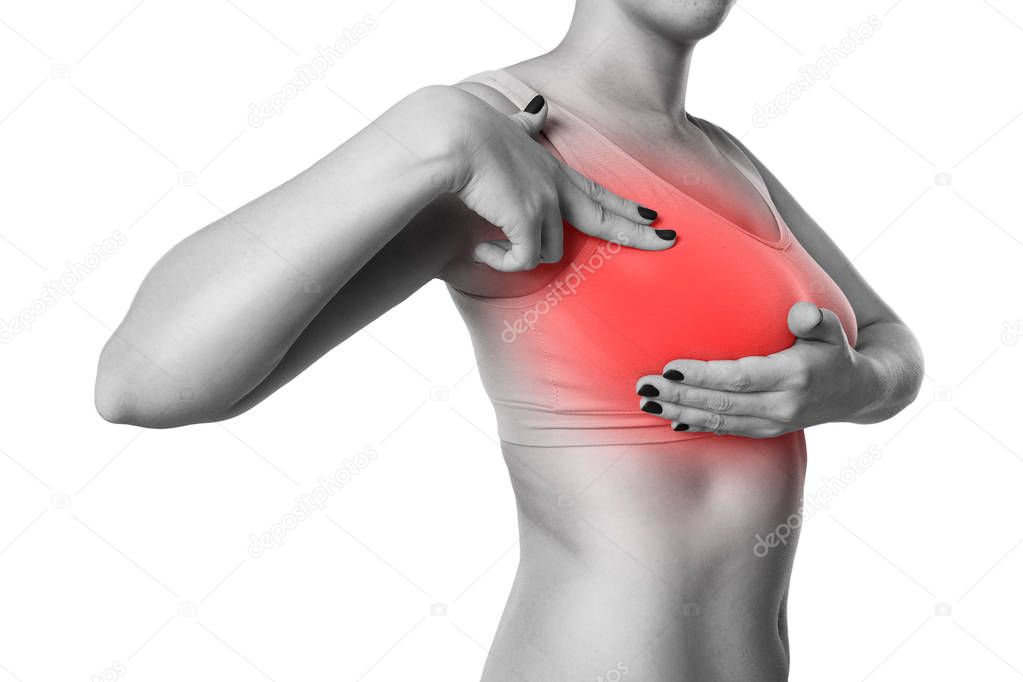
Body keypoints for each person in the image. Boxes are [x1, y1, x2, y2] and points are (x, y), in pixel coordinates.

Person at [94, 1, 924, 679]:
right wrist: (432, 130)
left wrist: (854, 385)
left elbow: (891, 342)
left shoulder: (727, 155)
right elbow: (142, 381)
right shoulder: (496, 139)